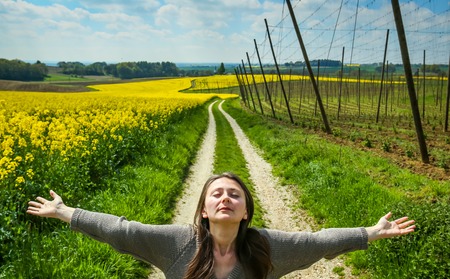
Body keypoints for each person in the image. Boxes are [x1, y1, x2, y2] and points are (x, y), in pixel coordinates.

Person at [27, 172, 416, 279]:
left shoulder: (268, 247)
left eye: (234, 194)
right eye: (216, 194)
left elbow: (317, 241)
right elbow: (121, 229)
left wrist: (369, 232)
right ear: (203, 211)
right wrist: (66, 212)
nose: (225, 198)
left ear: (246, 211)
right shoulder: (175, 243)